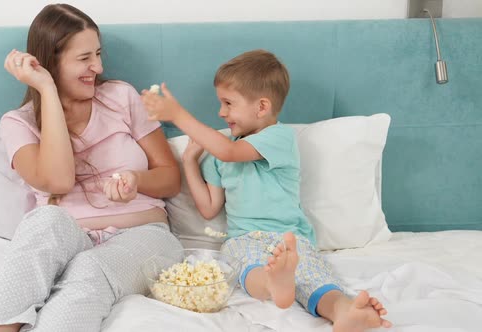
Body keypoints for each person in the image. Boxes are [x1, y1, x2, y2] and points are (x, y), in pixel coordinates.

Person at [141, 49, 392, 332]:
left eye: (228, 103)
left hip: (290, 239)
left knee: (316, 279)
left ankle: (345, 310)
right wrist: (188, 161)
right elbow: (209, 207)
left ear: (261, 107)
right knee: (251, 270)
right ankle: (275, 284)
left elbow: (230, 151)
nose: (221, 112)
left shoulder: (278, 138)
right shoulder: (217, 154)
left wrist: (177, 114)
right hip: (243, 238)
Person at [0, 4, 183, 332]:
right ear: (50, 63)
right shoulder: (19, 123)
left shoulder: (121, 97)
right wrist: (48, 91)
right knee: (44, 223)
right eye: (84, 59)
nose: (97, 67)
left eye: (97, 53)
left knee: (87, 270)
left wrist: (136, 180)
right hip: (65, 237)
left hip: (144, 235)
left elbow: (171, 178)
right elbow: (59, 181)